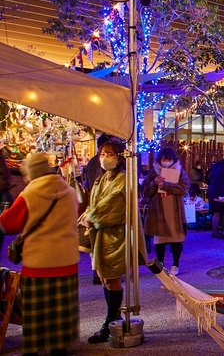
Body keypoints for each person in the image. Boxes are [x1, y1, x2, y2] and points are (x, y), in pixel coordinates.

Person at [0, 152, 80, 356]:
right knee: (61, 309)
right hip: (67, 260)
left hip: (38, 262)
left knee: (36, 311)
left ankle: (34, 348)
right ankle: (59, 346)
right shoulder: (69, 191)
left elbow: (9, 223)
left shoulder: (30, 193)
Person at [83, 139, 128, 344]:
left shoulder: (122, 179)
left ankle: (110, 321)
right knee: (104, 277)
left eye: (110, 154)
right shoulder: (101, 179)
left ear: (119, 157)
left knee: (112, 277)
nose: (105, 158)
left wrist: (92, 218)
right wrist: (88, 215)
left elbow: (113, 205)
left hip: (115, 236)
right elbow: (93, 204)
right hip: (100, 235)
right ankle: (113, 317)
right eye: (102, 153)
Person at [142, 147, 190, 276]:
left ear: (174, 160)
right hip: (158, 209)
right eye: (164, 159)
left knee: (176, 237)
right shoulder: (154, 172)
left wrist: (166, 185)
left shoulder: (180, 171)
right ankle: (161, 264)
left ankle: (175, 264)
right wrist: (154, 182)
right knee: (160, 238)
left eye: (169, 159)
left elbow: (184, 188)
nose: (166, 162)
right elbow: (145, 190)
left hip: (175, 209)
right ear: (160, 160)